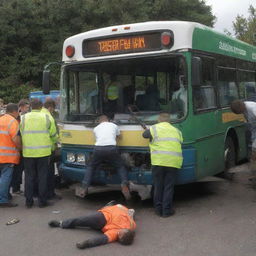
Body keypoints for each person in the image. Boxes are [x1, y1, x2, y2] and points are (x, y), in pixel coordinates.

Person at [79, 115, 131, 200]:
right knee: (120, 166)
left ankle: (84, 187)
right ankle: (124, 185)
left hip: (98, 149)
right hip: (111, 148)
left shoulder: (96, 128)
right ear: (108, 120)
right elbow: (120, 136)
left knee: (91, 166)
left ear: (100, 121)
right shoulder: (114, 125)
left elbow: (97, 139)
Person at [142, 112, 183, 217]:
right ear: (169, 121)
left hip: (159, 161)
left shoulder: (154, 128)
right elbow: (180, 142)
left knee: (158, 186)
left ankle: (158, 209)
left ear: (158, 120)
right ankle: (166, 211)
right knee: (168, 187)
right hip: (173, 162)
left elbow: (144, 135)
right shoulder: (177, 131)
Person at [20, 99, 58, 208]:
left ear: (31, 106)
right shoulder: (47, 117)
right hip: (43, 153)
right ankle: (42, 201)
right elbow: (54, 134)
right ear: (41, 107)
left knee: (29, 177)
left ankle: (29, 201)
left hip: (28, 153)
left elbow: (21, 132)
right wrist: (54, 143)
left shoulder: (23, 118)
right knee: (42, 177)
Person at [48, 202, 136, 249]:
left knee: (83, 220)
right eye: (121, 234)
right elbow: (131, 213)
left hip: (104, 218)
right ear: (127, 231)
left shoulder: (116, 232)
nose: (119, 234)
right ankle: (108, 205)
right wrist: (130, 212)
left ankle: (61, 223)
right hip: (110, 209)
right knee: (84, 219)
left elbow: (102, 239)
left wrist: (87, 243)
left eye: (119, 237)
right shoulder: (131, 224)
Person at [0, 103, 21, 207]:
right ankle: (3, 200)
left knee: (2, 178)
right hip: (7, 156)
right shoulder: (13, 122)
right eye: (18, 111)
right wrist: (21, 149)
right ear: (14, 111)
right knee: (5, 178)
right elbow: (16, 140)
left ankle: (6, 195)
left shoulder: (1, 119)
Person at [231, 100, 256, 180]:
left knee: (254, 153)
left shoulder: (252, 108)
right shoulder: (244, 109)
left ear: (241, 108)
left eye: (239, 112)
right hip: (254, 132)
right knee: (254, 154)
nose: (240, 114)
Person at [41, 99, 60, 200]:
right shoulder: (49, 117)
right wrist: (57, 142)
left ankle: (40, 194)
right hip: (48, 150)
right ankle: (50, 194)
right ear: (50, 107)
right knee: (50, 173)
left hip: (33, 151)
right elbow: (54, 135)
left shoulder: (35, 115)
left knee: (40, 175)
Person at [11, 99, 30, 194]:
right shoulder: (17, 119)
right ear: (21, 107)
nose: (28, 109)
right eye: (26, 107)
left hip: (22, 146)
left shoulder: (23, 117)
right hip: (19, 147)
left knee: (19, 169)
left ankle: (16, 187)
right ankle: (16, 188)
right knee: (18, 169)